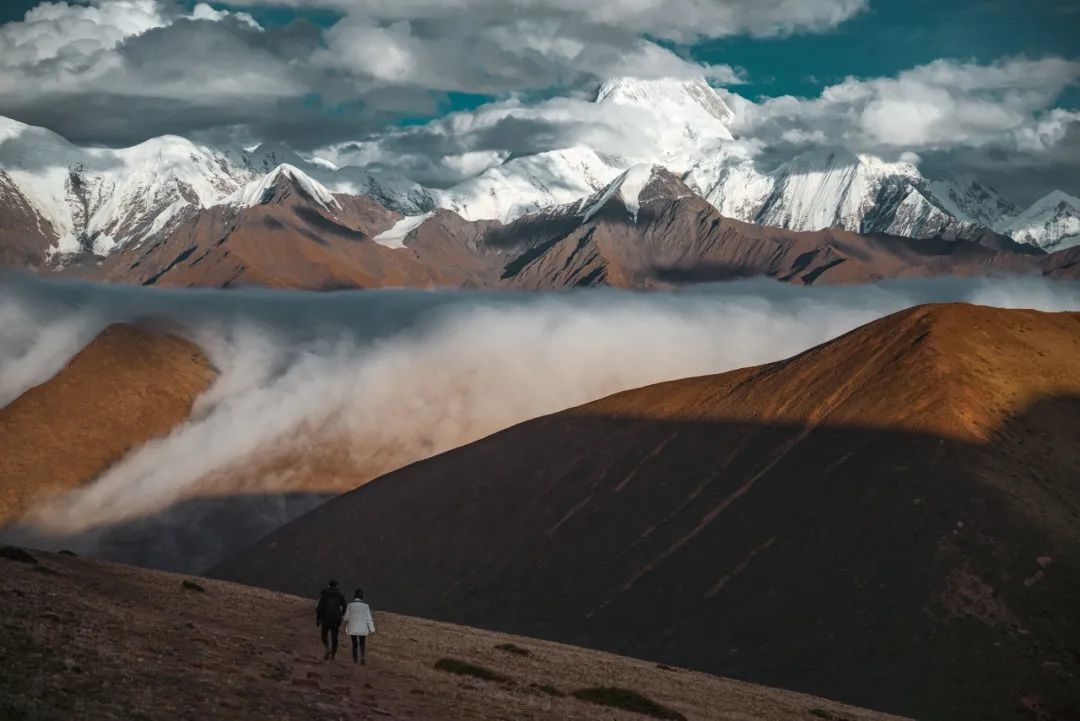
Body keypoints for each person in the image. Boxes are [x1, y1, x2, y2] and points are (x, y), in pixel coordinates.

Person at [342, 587, 376, 665]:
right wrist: (372, 629)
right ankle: (363, 656)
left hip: (353, 627)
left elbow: (346, 618)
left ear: (354, 596)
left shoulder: (350, 605)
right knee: (362, 642)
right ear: (362, 597)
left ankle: (355, 660)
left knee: (354, 643)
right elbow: (369, 619)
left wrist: (344, 622)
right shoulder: (366, 606)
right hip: (363, 628)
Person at [315, 579, 346, 660]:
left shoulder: (325, 594)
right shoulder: (341, 595)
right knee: (334, 637)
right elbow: (345, 607)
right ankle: (333, 655)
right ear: (337, 586)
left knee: (324, 635)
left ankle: (327, 647)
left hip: (326, 618)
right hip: (336, 619)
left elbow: (319, 608)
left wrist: (318, 619)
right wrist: (341, 614)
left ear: (328, 585)